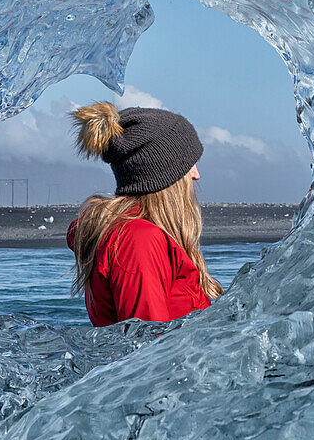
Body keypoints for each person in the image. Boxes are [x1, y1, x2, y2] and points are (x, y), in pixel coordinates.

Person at [65, 101, 224, 326]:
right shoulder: (139, 241)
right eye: (189, 164)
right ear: (163, 175)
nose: (196, 174)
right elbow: (144, 346)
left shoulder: (139, 236)